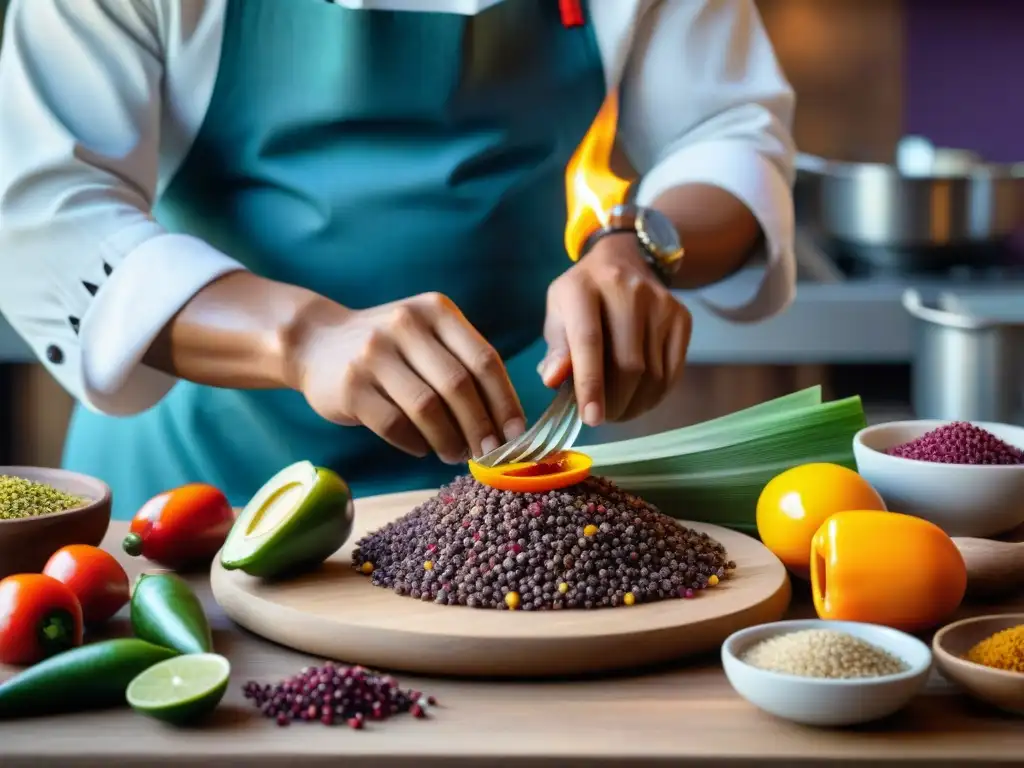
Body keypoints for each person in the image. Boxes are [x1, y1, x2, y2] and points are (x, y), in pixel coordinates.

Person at [0, 0, 797, 520]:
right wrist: (305, 338)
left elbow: (727, 131)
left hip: (510, 481)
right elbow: (43, 212)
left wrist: (637, 245)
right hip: (198, 496)